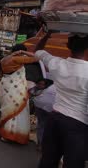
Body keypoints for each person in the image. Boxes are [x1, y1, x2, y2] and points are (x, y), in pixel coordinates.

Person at [33, 33, 88, 168]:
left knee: (48, 160)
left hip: (55, 119)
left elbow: (38, 51)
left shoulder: (57, 64)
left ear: (68, 45)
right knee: (73, 164)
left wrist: (48, 33)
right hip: (78, 125)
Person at [0, 44, 37, 144]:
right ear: (20, 52)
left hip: (5, 86)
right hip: (16, 89)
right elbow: (37, 58)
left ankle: (4, 134)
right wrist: (24, 53)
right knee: (16, 111)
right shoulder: (18, 59)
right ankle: (12, 135)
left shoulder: (5, 59)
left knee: (7, 109)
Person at [30, 78, 55, 150]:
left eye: (42, 84)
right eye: (39, 84)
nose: (40, 85)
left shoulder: (49, 89)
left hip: (45, 108)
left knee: (42, 126)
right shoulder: (35, 89)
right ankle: (41, 144)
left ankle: (41, 144)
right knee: (42, 125)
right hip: (44, 109)